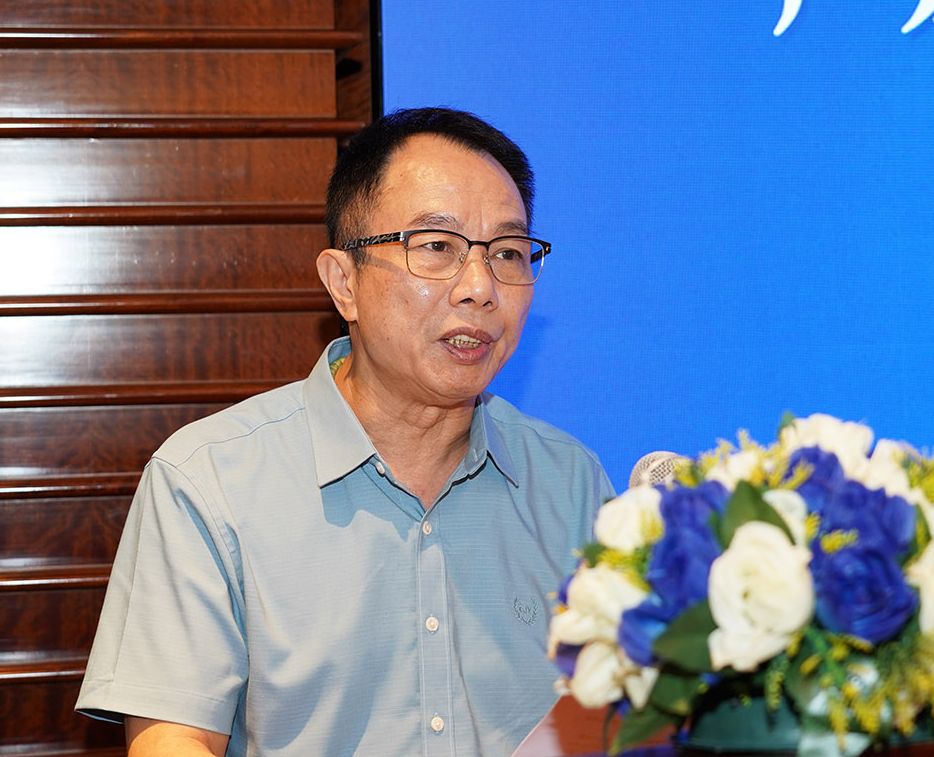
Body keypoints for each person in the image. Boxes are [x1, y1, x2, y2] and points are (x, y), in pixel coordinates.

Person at [77, 107, 613, 756]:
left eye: (507, 253)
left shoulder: (571, 483)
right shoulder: (209, 479)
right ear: (343, 283)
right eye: (436, 247)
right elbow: (173, 739)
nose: (480, 288)